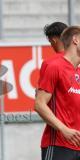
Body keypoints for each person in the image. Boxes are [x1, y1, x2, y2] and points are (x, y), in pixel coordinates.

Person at [35, 26, 80, 160]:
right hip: (59, 145)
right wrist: (63, 129)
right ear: (75, 40)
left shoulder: (77, 71)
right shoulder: (55, 66)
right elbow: (39, 104)